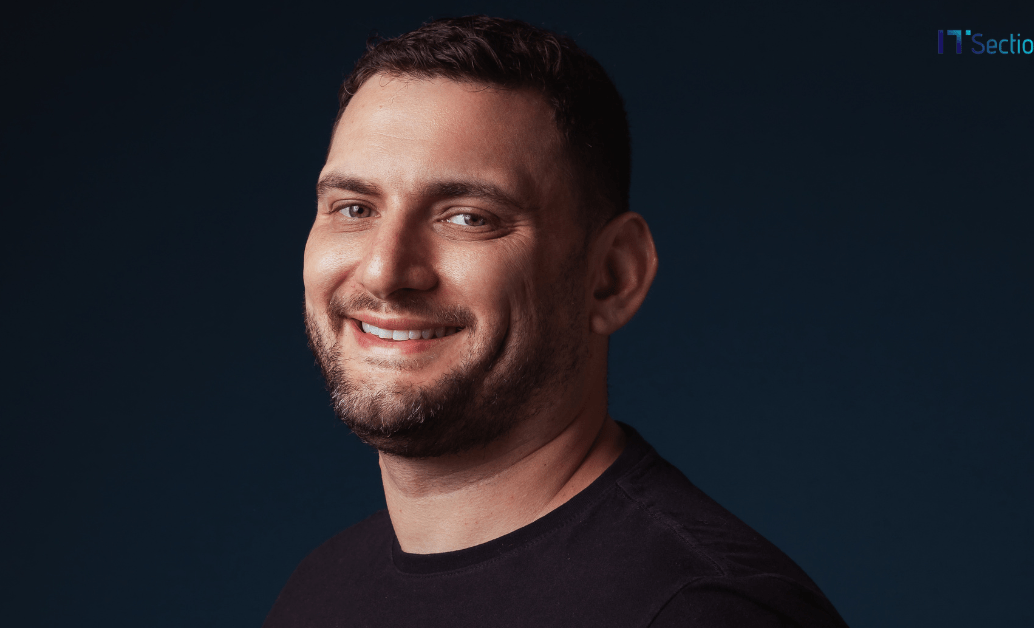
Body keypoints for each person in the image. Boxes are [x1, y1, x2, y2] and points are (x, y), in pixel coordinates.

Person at [263, 16, 848, 627]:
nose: (385, 272)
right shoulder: (319, 592)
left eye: (468, 218)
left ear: (612, 276)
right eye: (354, 209)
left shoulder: (704, 611)